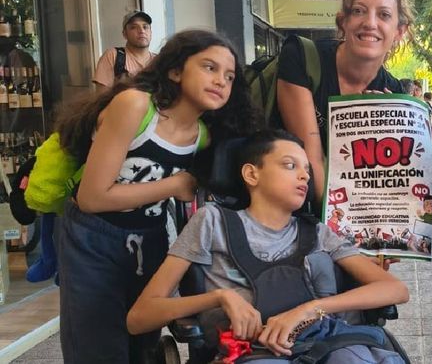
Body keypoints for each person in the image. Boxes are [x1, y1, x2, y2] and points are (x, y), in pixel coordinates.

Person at [55, 29, 261, 363]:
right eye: (209, 67)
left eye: (229, 76)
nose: (221, 81)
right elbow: (93, 198)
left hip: (150, 236)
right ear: (175, 70)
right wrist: (174, 185)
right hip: (92, 237)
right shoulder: (135, 105)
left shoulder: (203, 136)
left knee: (143, 341)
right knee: (96, 343)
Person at [127, 130, 409, 361]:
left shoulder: (318, 233)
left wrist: (311, 309)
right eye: (290, 165)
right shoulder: (212, 222)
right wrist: (220, 298)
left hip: (326, 343)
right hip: (253, 351)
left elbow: (395, 289)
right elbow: (139, 317)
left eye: (307, 169)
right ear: (252, 174)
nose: (304, 176)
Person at [277, 0, 413, 203]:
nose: (370, 23)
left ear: (399, 31)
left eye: (384, 15)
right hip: (288, 207)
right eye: (359, 11)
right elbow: (313, 163)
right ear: (344, 21)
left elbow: (387, 182)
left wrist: (382, 130)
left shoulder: (393, 92)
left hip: (346, 209)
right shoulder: (302, 58)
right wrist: (341, 222)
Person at [93, 10, 155, 91]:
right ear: (125, 34)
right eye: (133, 27)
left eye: (145, 27)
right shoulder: (113, 56)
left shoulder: (158, 60)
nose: (141, 31)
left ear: (151, 33)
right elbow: (102, 96)